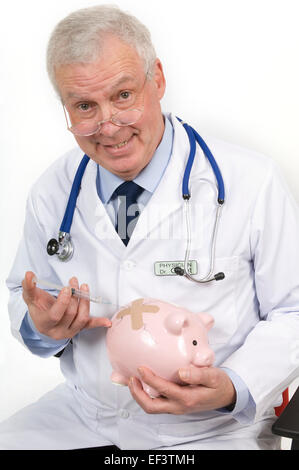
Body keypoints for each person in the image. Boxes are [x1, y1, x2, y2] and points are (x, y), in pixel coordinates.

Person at [2, 5, 299, 450]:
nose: (108, 125)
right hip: (85, 417)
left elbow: (293, 311)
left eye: (123, 95)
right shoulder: (54, 189)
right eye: (85, 106)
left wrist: (233, 386)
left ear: (156, 78)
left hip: (212, 430)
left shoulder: (251, 182)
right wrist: (41, 327)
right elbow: (24, 298)